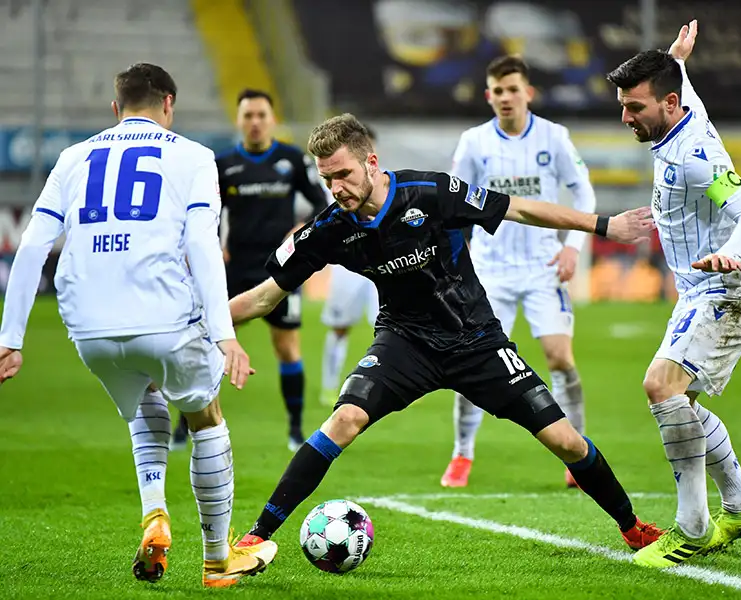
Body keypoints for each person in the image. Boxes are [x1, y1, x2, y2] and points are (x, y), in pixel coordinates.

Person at [227, 113, 665, 555]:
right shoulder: (328, 230)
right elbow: (263, 298)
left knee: (565, 440)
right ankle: (255, 538)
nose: (336, 188)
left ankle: (633, 527)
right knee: (344, 420)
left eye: (343, 174)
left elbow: (518, 208)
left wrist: (603, 225)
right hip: (404, 343)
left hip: (475, 339)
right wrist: (210, 329)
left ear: (371, 162)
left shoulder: (431, 192)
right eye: (328, 180)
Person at [0, 63, 276, 586]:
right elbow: (202, 244)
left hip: (89, 329)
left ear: (115, 108)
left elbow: (32, 245)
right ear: (168, 104)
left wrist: (10, 339)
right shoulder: (194, 156)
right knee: (206, 416)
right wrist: (224, 334)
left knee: (144, 390)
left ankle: (154, 513)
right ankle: (218, 559)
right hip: (164, 317)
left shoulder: (72, 157)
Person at [606, 21, 741, 568]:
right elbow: (680, 80)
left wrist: (733, 252)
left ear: (669, 103)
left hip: (728, 291)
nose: (626, 117)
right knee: (683, 405)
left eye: (634, 107)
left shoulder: (697, 157)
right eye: (623, 106)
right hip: (699, 292)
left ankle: (693, 530)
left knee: (661, 386)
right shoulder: (680, 112)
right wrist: (674, 56)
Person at [442, 55, 597, 489]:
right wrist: (456, 260)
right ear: (488, 96)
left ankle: (577, 454)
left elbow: (583, 192)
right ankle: (462, 453)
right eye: (498, 91)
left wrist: (572, 248)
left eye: (513, 89)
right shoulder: (474, 142)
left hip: (544, 266)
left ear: (528, 92)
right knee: (473, 365)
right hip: (489, 273)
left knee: (560, 358)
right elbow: (452, 204)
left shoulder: (554, 136)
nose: (506, 97)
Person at [171, 89, 329, 451]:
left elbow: (322, 205)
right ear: (239, 120)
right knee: (208, 344)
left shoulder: (292, 160)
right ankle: (185, 425)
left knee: (287, 346)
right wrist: (211, 250)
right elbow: (206, 216)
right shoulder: (223, 165)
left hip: (282, 271)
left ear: (272, 119)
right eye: (248, 116)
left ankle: (295, 429)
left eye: (261, 115)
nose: (255, 122)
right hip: (234, 270)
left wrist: (299, 232)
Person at [319, 124, 380, 406]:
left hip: (383, 265)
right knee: (340, 327)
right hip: (347, 266)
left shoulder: (387, 183)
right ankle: (330, 386)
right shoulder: (336, 184)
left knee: (391, 327)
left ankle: (395, 384)